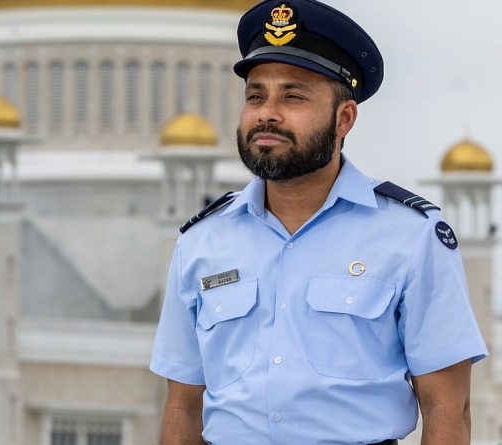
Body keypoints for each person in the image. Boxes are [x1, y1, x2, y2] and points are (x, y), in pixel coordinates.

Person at [148, 1, 489, 444]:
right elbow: (182, 404)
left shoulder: (410, 236)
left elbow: (448, 409)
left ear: (344, 117)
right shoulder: (202, 241)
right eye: (256, 95)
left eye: (293, 96)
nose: (267, 113)